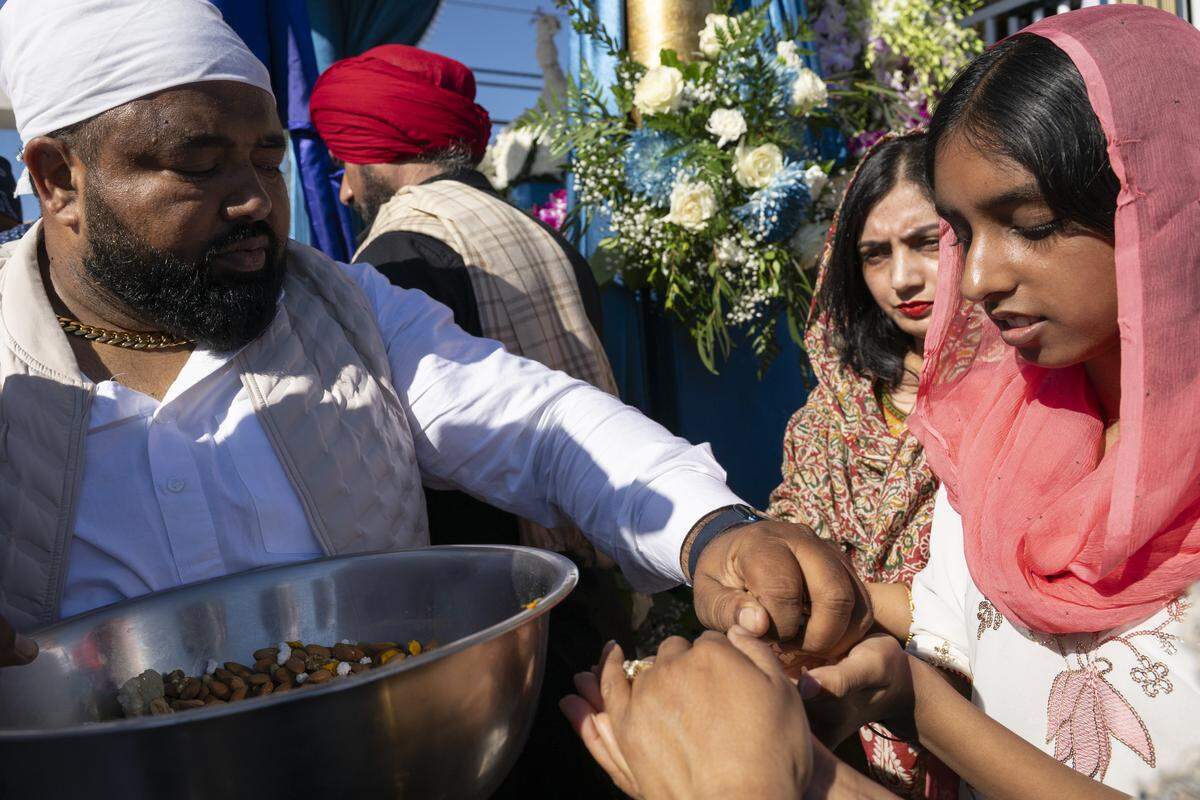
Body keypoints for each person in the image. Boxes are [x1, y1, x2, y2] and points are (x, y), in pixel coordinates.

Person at [0, 0, 873, 695]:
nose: (254, 201)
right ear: (57, 179)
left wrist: (711, 529)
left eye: (266, 161)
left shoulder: (342, 310)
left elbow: (540, 425)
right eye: (198, 166)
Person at [566, 6, 1200, 799]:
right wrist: (842, 630)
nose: (971, 282)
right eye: (965, 235)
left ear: (1173, 204)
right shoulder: (1007, 434)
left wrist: (780, 780)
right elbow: (957, 620)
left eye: (1028, 224)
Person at [308, 45, 615, 563]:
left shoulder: (401, 251)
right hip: (585, 538)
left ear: (384, 145)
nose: (345, 192)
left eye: (346, 164)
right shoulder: (540, 231)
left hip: (492, 579)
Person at [767, 130, 950, 796]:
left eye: (928, 242)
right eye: (876, 254)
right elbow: (791, 524)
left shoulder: (1026, 396)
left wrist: (851, 599)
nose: (902, 278)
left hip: (977, 731)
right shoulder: (831, 410)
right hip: (836, 734)